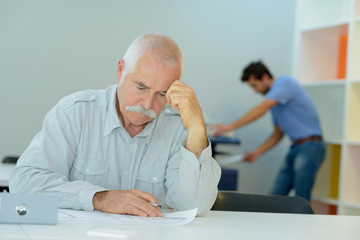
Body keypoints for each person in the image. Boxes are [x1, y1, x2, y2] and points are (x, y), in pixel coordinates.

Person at [9, 34, 221, 217]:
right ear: (120, 71)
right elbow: (25, 183)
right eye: (140, 87)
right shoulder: (75, 112)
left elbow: (195, 207)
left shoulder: (178, 127)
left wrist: (197, 128)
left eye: (162, 94)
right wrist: (99, 198)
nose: (147, 105)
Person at [212, 61, 325, 201]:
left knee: (301, 198)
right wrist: (257, 152)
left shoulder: (283, 83)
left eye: (254, 85)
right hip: (296, 147)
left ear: (265, 77)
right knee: (275, 196)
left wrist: (231, 126)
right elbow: (277, 134)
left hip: (310, 147)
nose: (255, 90)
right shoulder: (275, 104)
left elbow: (261, 109)